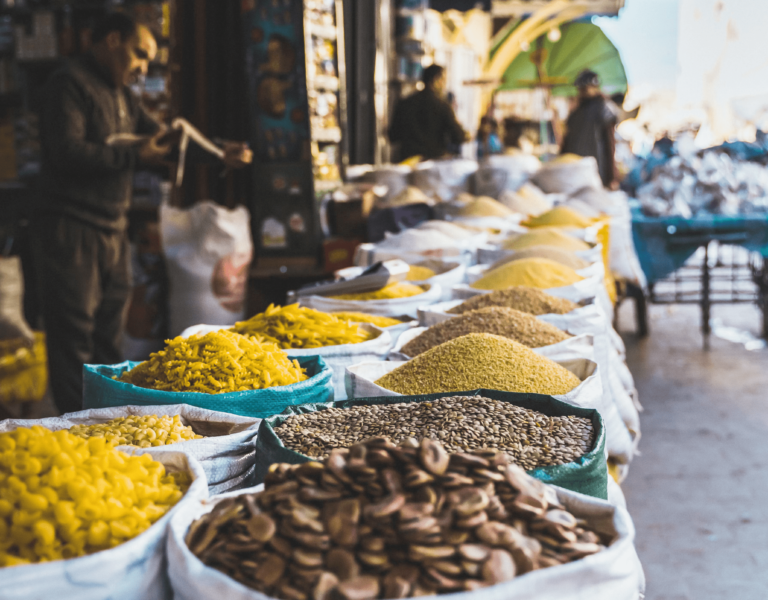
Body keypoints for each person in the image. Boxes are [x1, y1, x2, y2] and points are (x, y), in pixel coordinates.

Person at [33, 13, 250, 414]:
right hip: (71, 227)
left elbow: (165, 142)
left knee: (107, 336)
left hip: (111, 228)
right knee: (74, 336)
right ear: (112, 40)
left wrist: (220, 152)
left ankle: (105, 418)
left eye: (148, 61)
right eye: (139, 55)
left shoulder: (121, 94)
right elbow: (68, 153)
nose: (142, 68)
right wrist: (135, 153)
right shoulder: (70, 84)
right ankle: (75, 424)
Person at [389, 64, 467, 161]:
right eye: (444, 80)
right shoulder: (443, 106)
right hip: (433, 164)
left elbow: (392, 136)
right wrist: (466, 135)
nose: (444, 85)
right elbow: (458, 137)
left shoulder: (405, 103)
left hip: (408, 162)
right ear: (436, 80)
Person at [560, 69, 620, 189]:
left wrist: (611, 177)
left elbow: (609, 145)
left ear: (595, 87)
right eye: (580, 89)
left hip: (596, 171)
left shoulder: (603, 109)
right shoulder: (577, 112)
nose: (581, 92)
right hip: (575, 171)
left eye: (585, 88)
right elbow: (567, 141)